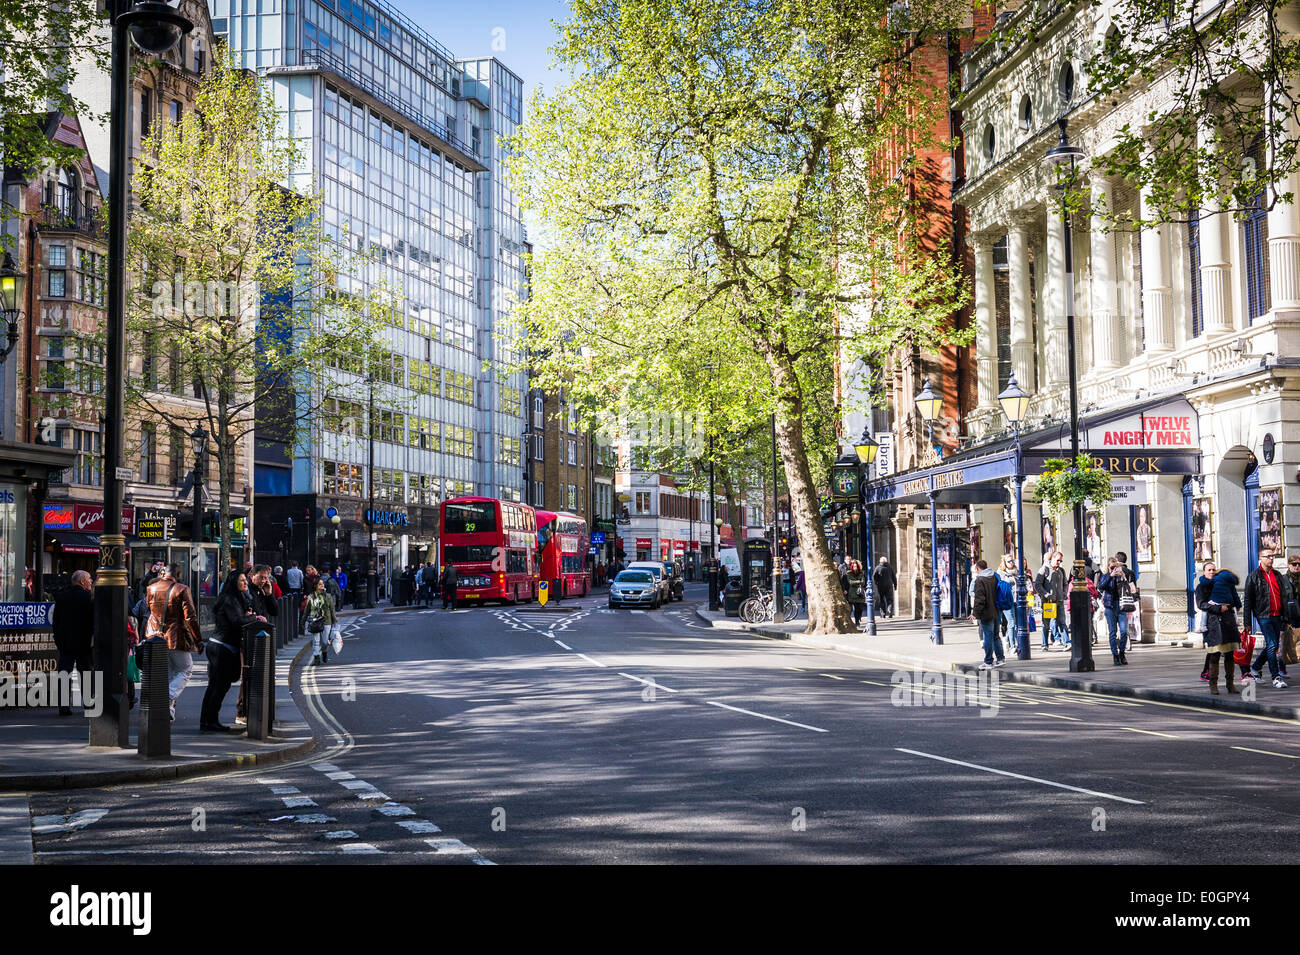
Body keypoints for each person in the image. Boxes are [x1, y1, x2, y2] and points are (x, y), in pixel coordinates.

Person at [145, 563, 203, 722]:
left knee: (170, 673)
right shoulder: (182, 589)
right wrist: (198, 639)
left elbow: (149, 610)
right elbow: (190, 617)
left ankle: (168, 712)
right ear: (177, 574)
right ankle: (165, 699)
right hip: (175, 637)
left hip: (155, 636)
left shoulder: (152, 588)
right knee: (186, 668)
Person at [204, 571, 254, 731]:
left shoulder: (234, 598)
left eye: (246, 580)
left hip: (222, 646)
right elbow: (237, 622)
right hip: (221, 647)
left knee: (216, 686)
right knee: (218, 686)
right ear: (234, 582)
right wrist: (254, 618)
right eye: (242, 580)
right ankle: (210, 722)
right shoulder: (230, 600)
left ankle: (208, 721)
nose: (245, 583)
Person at [235, 565, 279, 725]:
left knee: (261, 674)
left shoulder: (262, 591)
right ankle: (241, 711)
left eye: (266, 578)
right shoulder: (246, 591)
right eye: (261, 577)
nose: (264, 581)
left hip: (261, 638)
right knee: (248, 675)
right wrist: (255, 617)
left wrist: (269, 594)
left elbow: (274, 611)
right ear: (252, 575)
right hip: (247, 638)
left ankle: (256, 711)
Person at [52, 570, 95, 716]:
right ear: (82, 581)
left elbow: (56, 621)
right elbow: (94, 621)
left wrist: (58, 640)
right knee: (86, 673)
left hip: (66, 642)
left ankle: (64, 706)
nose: (91, 581)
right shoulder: (89, 597)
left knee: (64, 673)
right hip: (84, 642)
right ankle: (89, 703)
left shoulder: (62, 596)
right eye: (89, 579)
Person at [1244, 551, 1288, 688]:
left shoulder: (1277, 575)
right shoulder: (1253, 576)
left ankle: (1255, 668)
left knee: (1271, 645)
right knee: (1272, 645)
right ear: (1260, 559)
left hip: (1278, 615)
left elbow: (1284, 597)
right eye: (1268, 556)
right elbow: (1247, 601)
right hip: (1264, 616)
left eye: (1272, 556)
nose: (1271, 558)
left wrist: (1286, 617)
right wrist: (1247, 623)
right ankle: (1276, 677)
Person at [1195, 561, 1238, 694]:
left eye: (1214, 570)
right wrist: (1218, 608)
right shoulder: (1201, 587)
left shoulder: (1223, 584)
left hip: (1228, 621)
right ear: (1204, 572)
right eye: (1209, 570)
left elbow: (1233, 598)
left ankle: (1230, 684)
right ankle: (1213, 684)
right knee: (1214, 655)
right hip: (1213, 623)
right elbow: (1201, 604)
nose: (1212, 572)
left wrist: (1231, 605)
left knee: (1230, 655)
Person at [1098, 553, 1136, 665]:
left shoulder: (1121, 575)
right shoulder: (1105, 576)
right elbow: (1101, 586)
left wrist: (1124, 578)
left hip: (1121, 605)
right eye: (1112, 567)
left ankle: (1122, 653)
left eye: (1116, 567)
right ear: (1108, 567)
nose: (1114, 569)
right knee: (1112, 632)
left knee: (1124, 631)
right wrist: (1110, 576)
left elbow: (1130, 589)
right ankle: (1115, 655)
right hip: (1110, 607)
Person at [971, 558, 1004, 670]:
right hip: (996, 611)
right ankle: (1000, 658)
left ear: (977, 568)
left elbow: (979, 599)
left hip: (986, 613)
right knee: (996, 636)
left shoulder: (980, 580)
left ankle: (988, 661)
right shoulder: (994, 576)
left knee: (988, 637)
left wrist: (975, 613)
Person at [1034, 551, 1070, 651]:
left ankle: (1067, 643)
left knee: (1062, 622)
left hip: (1059, 600)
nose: (1059, 562)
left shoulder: (1061, 570)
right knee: (1046, 624)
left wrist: (1064, 593)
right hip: (1048, 602)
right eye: (1057, 560)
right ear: (1052, 558)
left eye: (1060, 561)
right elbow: (1037, 585)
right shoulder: (1044, 569)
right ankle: (1044, 644)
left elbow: (1065, 584)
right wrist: (1046, 594)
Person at [304, 576, 339, 666]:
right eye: (320, 584)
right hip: (314, 621)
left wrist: (335, 620)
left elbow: (332, 609)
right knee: (315, 641)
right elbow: (307, 610)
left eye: (323, 584)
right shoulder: (311, 597)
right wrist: (302, 622)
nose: (322, 585)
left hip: (326, 621)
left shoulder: (328, 596)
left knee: (324, 642)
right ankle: (316, 658)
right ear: (315, 586)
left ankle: (324, 652)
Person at [996, 555, 1018, 649]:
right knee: (1011, 623)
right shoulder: (1000, 573)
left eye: (1013, 560)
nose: (1012, 562)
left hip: (1017, 600)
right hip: (1007, 601)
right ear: (1004, 562)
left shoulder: (1017, 571)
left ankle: (1007, 641)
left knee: (1015, 624)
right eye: (1009, 561)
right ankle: (1013, 646)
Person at [841, 559, 867, 627]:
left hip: (860, 592)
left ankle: (858, 618)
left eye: (856, 566)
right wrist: (859, 582)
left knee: (860, 608)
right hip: (852, 593)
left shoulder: (862, 573)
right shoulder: (849, 573)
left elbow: (863, 582)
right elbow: (850, 582)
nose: (855, 568)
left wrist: (856, 582)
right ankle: (856, 621)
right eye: (854, 566)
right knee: (854, 608)